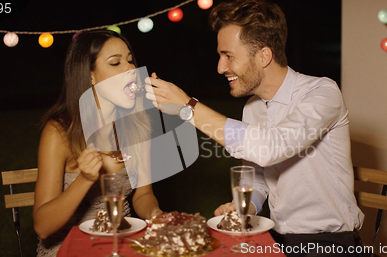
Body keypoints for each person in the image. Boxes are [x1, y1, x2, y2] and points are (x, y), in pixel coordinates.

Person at [144, 0, 365, 256]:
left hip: (330, 244)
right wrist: (246, 208)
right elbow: (260, 176)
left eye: (228, 56)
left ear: (264, 55)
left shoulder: (322, 93)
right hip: (277, 239)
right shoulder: (252, 108)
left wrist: (187, 106)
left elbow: (270, 148)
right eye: (220, 56)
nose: (220, 67)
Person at [33, 30, 162, 257]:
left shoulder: (138, 124)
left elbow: (143, 195)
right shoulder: (59, 132)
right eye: (115, 63)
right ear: (90, 75)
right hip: (68, 247)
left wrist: (156, 214)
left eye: (131, 61)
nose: (131, 69)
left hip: (120, 243)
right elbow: (43, 226)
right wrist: (85, 179)